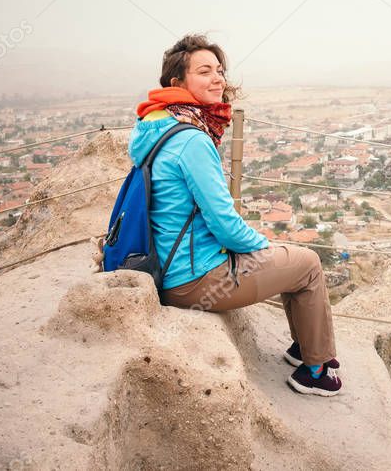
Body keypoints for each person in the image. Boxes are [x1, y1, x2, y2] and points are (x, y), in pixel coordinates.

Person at [128, 33, 341, 396]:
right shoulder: (192, 139)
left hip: (163, 265)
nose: (217, 79)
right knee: (306, 264)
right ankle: (315, 371)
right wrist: (263, 244)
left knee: (288, 260)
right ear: (177, 82)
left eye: (219, 71)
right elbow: (225, 225)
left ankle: (306, 343)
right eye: (204, 71)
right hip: (194, 281)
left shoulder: (155, 126)